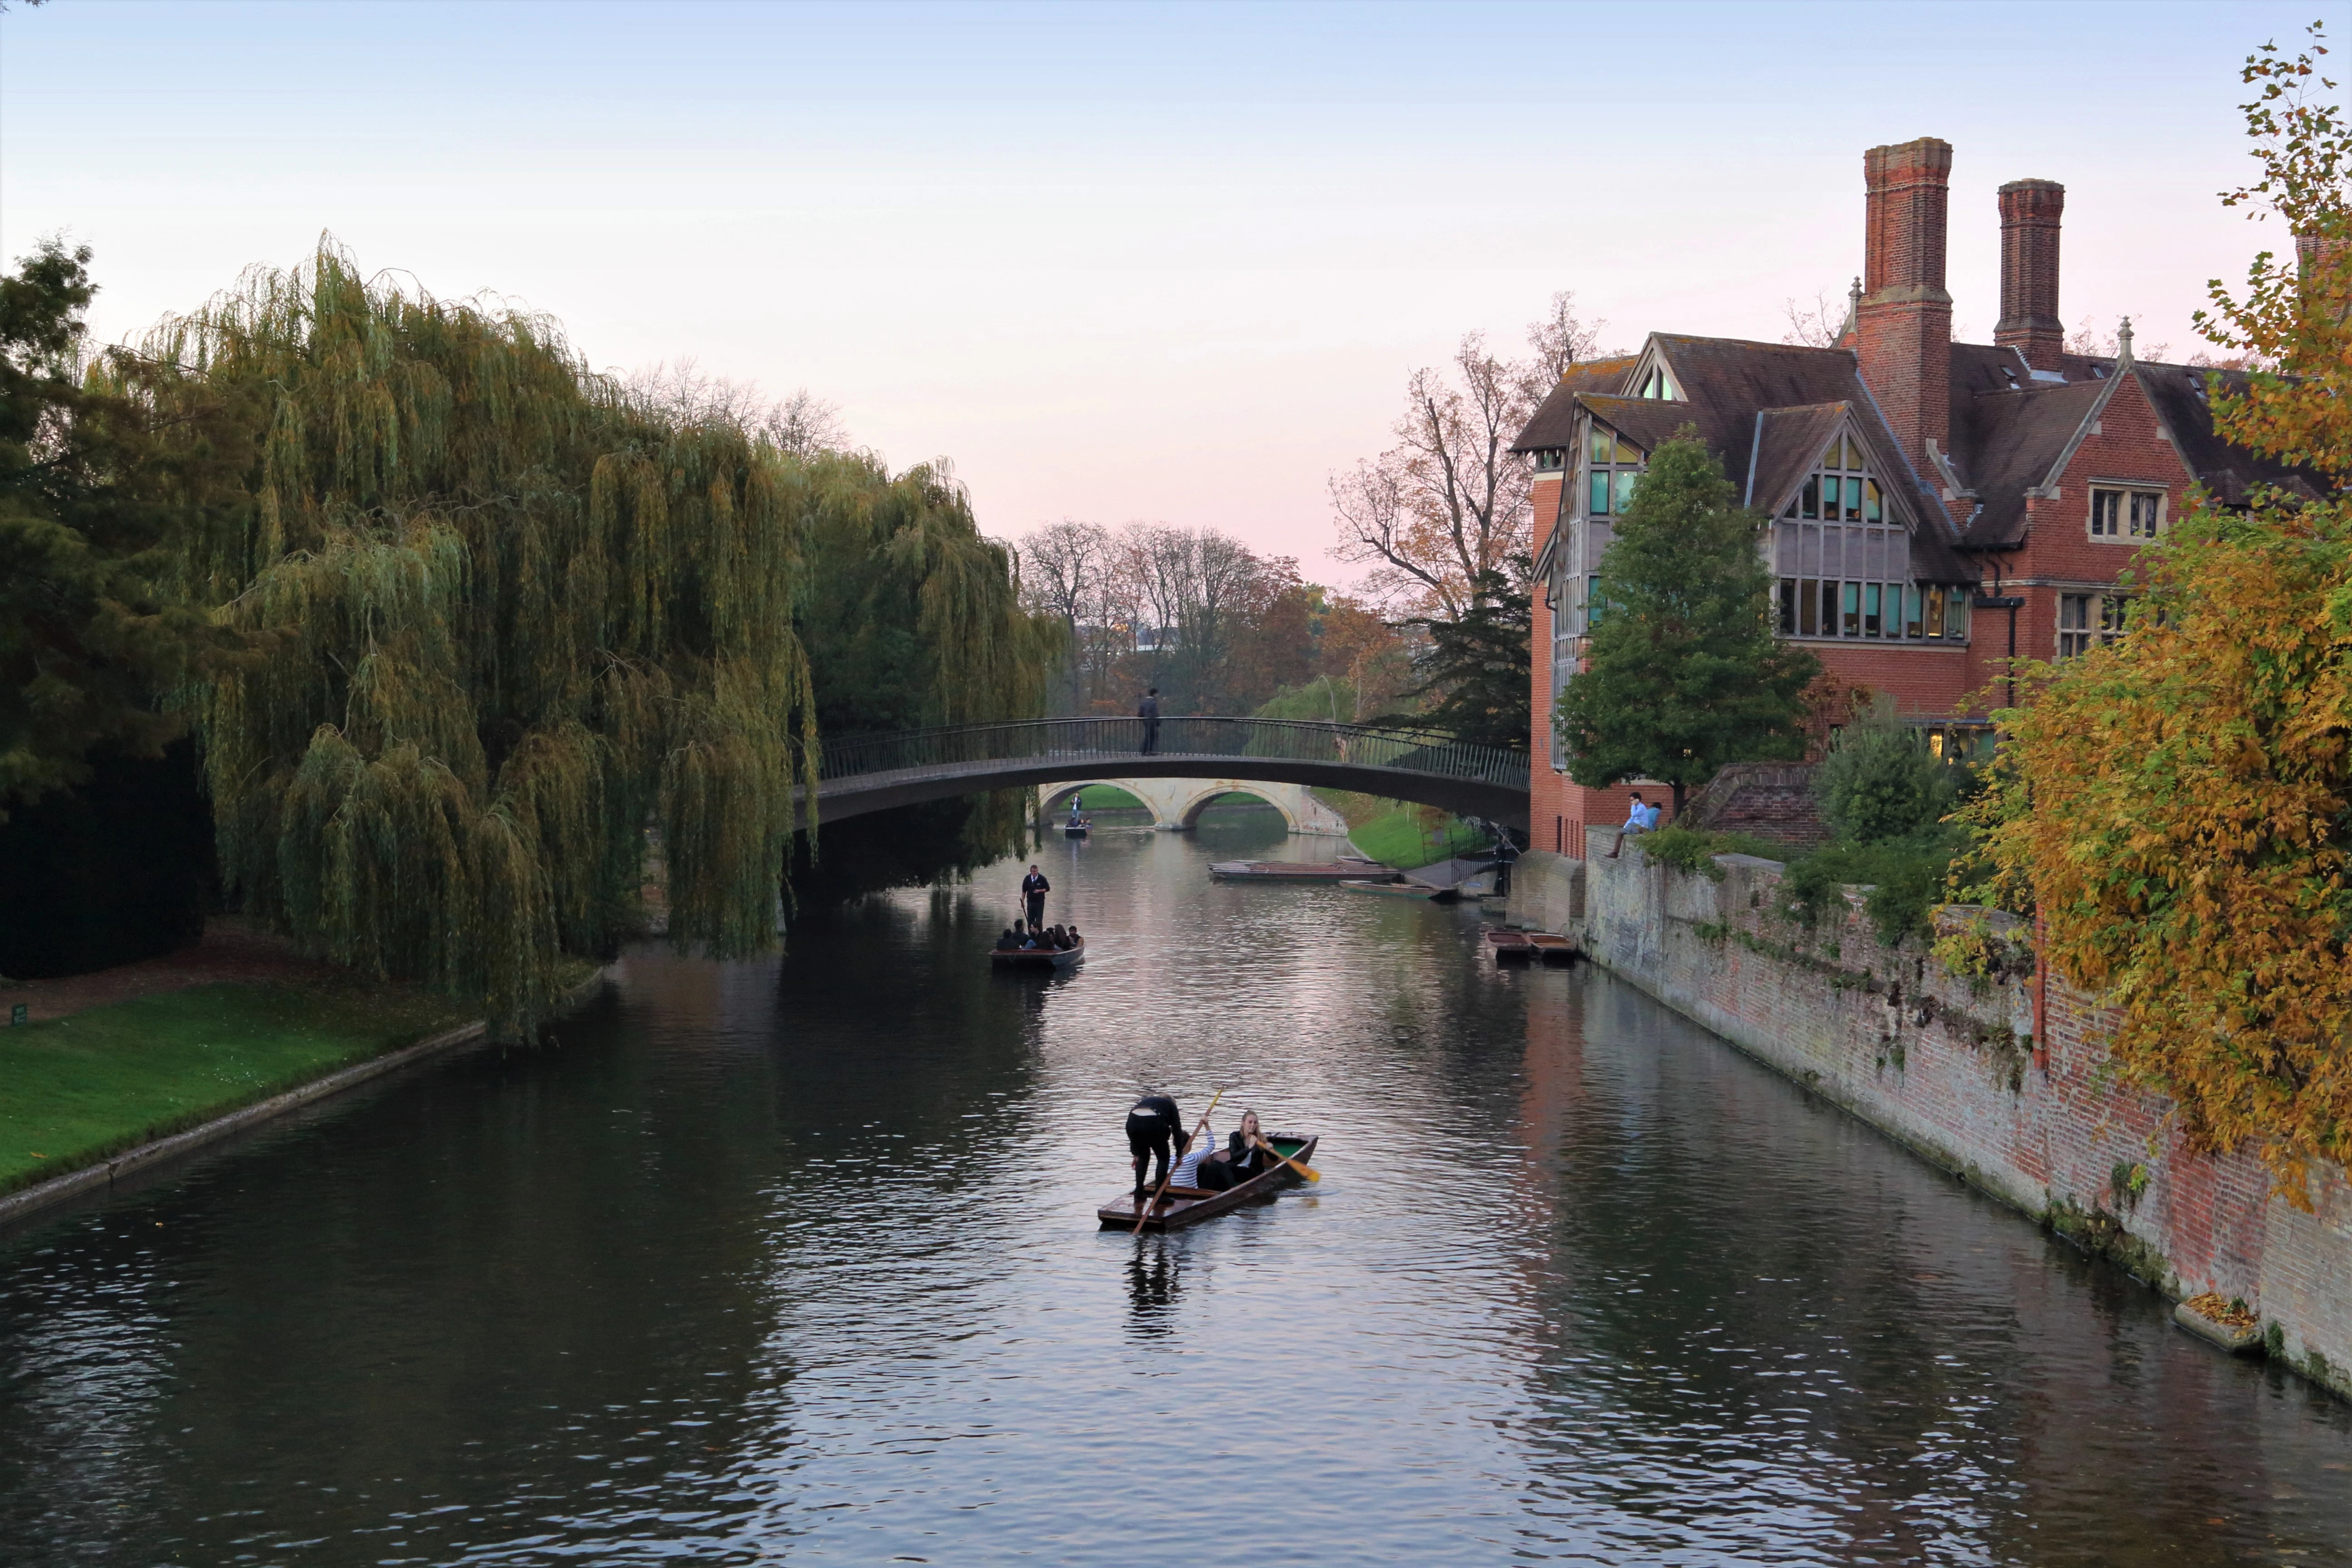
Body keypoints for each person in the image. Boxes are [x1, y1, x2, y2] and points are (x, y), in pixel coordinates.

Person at [1126, 1093, 1189, 1202]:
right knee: (1163, 1159)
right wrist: (1179, 1155)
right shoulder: (1171, 1106)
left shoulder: (1148, 1101)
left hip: (1132, 1122)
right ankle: (1160, 1196)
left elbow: (1136, 1127)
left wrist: (1135, 1153)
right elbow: (1177, 1131)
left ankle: (1139, 1193)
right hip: (1153, 1124)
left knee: (1143, 1158)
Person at [1195, 1109, 1275, 1191]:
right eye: (1250, 1122)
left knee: (1216, 1165)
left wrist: (1270, 1149)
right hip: (1235, 1168)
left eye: (1255, 1122)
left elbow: (1274, 1159)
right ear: (1243, 1124)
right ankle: (1198, 1190)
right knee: (1202, 1167)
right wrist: (1249, 1148)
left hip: (1251, 1172)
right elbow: (1234, 1157)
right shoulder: (1235, 1136)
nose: (1253, 1125)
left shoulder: (1261, 1138)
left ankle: (1230, 1189)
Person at [1606, 791, 1648, 858]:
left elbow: (1634, 815)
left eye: (1632, 800)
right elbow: (1631, 819)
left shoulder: (1641, 807)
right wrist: (1625, 827)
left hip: (1641, 827)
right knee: (1619, 833)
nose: (1631, 802)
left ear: (1637, 800)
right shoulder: (1635, 808)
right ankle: (1615, 853)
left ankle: (1641, 853)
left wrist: (1634, 805)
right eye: (1630, 801)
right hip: (1634, 825)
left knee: (1632, 829)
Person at [1020, 864, 1050, 930]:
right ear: (1031, 871)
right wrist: (1023, 902)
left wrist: (1040, 891)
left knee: (1039, 920)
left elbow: (1048, 889)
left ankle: (1040, 935)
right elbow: (1024, 891)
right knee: (1030, 920)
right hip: (1031, 902)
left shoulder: (1042, 879)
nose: (1035, 873)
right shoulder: (1027, 879)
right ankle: (1031, 935)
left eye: (1036, 871)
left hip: (1040, 902)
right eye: (1034, 872)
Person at [1137, 687, 1161, 756]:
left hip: (1146, 721)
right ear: (1154, 694)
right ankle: (1147, 750)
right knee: (1151, 736)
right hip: (1152, 721)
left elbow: (1140, 712)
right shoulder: (1153, 702)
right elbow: (1155, 713)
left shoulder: (1144, 702)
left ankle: (1146, 750)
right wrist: (1158, 721)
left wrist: (1142, 719)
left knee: (1149, 735)